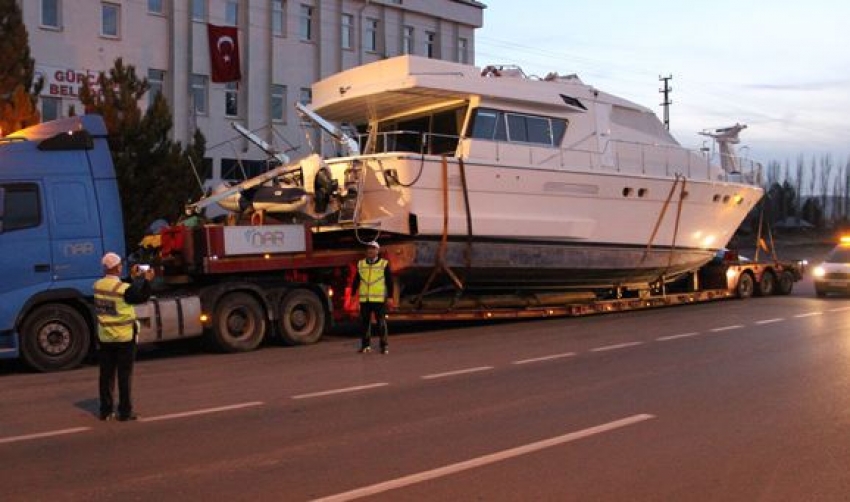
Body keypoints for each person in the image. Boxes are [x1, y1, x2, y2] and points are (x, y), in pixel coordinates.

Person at [94, 252, 154, 421]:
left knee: (105, 376)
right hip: (124, 338)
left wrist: (131, 277)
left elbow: (117, 288)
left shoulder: (98, 285)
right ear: (117, 267)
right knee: (124, 376)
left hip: (105, 337)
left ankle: (105, 411)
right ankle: (125, 412)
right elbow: (141, 296)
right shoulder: (124, 289)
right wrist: (147, 280)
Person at [351, 241, 393, 354]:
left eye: (373, 249)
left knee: (381, 323)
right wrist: (353, 294)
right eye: (369, 249)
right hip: (365, 300)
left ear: (377, 251)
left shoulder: (383, 264)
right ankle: (365, 346)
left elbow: (389, 282)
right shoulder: (361, 264)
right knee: (365, 323)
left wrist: (390, 297)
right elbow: (356, 280)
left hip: (378, 299)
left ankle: (384, 346)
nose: (370, 251)